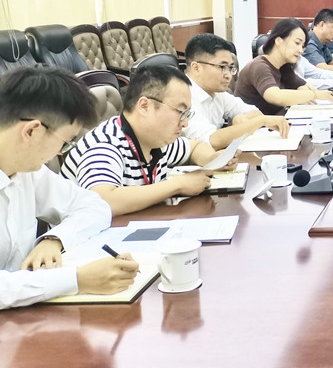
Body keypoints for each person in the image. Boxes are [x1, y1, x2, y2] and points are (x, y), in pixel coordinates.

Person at [0, 65, 139, 308]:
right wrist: (77, 280)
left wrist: (54, 239)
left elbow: (95, 206)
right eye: (64, 143)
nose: (59, 153)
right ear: (31, 131)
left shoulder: (27, 170)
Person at [62, 65, 231, 216]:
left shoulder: (156, 139)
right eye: (180, 112)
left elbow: (194, 147)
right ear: (144, 106)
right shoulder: (105, 145)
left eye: (187, 114)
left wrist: (211, 159)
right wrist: (178, 185)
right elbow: (104, 200)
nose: (185, 122)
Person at [182, 33, 291, 150]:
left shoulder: (217, 93)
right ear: (196, 68)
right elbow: (212, 141)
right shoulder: (182, 97)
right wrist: (261, 121)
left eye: (230, 68)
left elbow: (255, 112)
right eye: (222, 67)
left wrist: (239, 118)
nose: (228, 75)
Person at [234, 18, 333, 116]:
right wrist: (314, 95)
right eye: (297, 43)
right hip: (255, 126)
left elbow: (304, 86)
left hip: (276, 122)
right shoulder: (260, 66)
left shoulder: (284, 67)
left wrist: (307, 90)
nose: (300, 50)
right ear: (278, 40)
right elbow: (276, 97)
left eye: (302, 46)